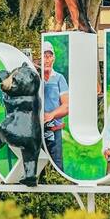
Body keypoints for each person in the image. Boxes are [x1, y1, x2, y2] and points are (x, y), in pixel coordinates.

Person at [41, 41, 69, 170]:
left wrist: (51, 115)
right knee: (38, 166)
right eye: (43, 56)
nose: (46, 60)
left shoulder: (59, 78)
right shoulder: (35, 78)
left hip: (54, 130)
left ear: (53, 58)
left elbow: (66, 106)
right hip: (37, 131)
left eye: (49, 56)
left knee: (57, 167)